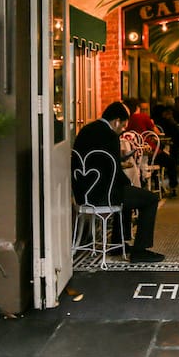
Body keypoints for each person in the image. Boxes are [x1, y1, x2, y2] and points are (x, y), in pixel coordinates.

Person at [72, 101, 164, 263]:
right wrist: (129, 183)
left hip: (82, 193)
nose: (122, 130)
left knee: (126, 191)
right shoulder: (110, 136)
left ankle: (118, 243)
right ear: (116, 121)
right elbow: (115, 170)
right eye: (122, 126)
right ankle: (140, 250)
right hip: (103, 195)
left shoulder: (85, 130)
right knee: (149, 199)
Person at [126, 98, 178, 197]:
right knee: (170, 162)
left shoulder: (126, 120)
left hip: (134, 156)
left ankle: (152, 185)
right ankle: (173, 187)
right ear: (137, 108)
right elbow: (157, 132)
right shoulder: (143, 117)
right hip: (150, 153)